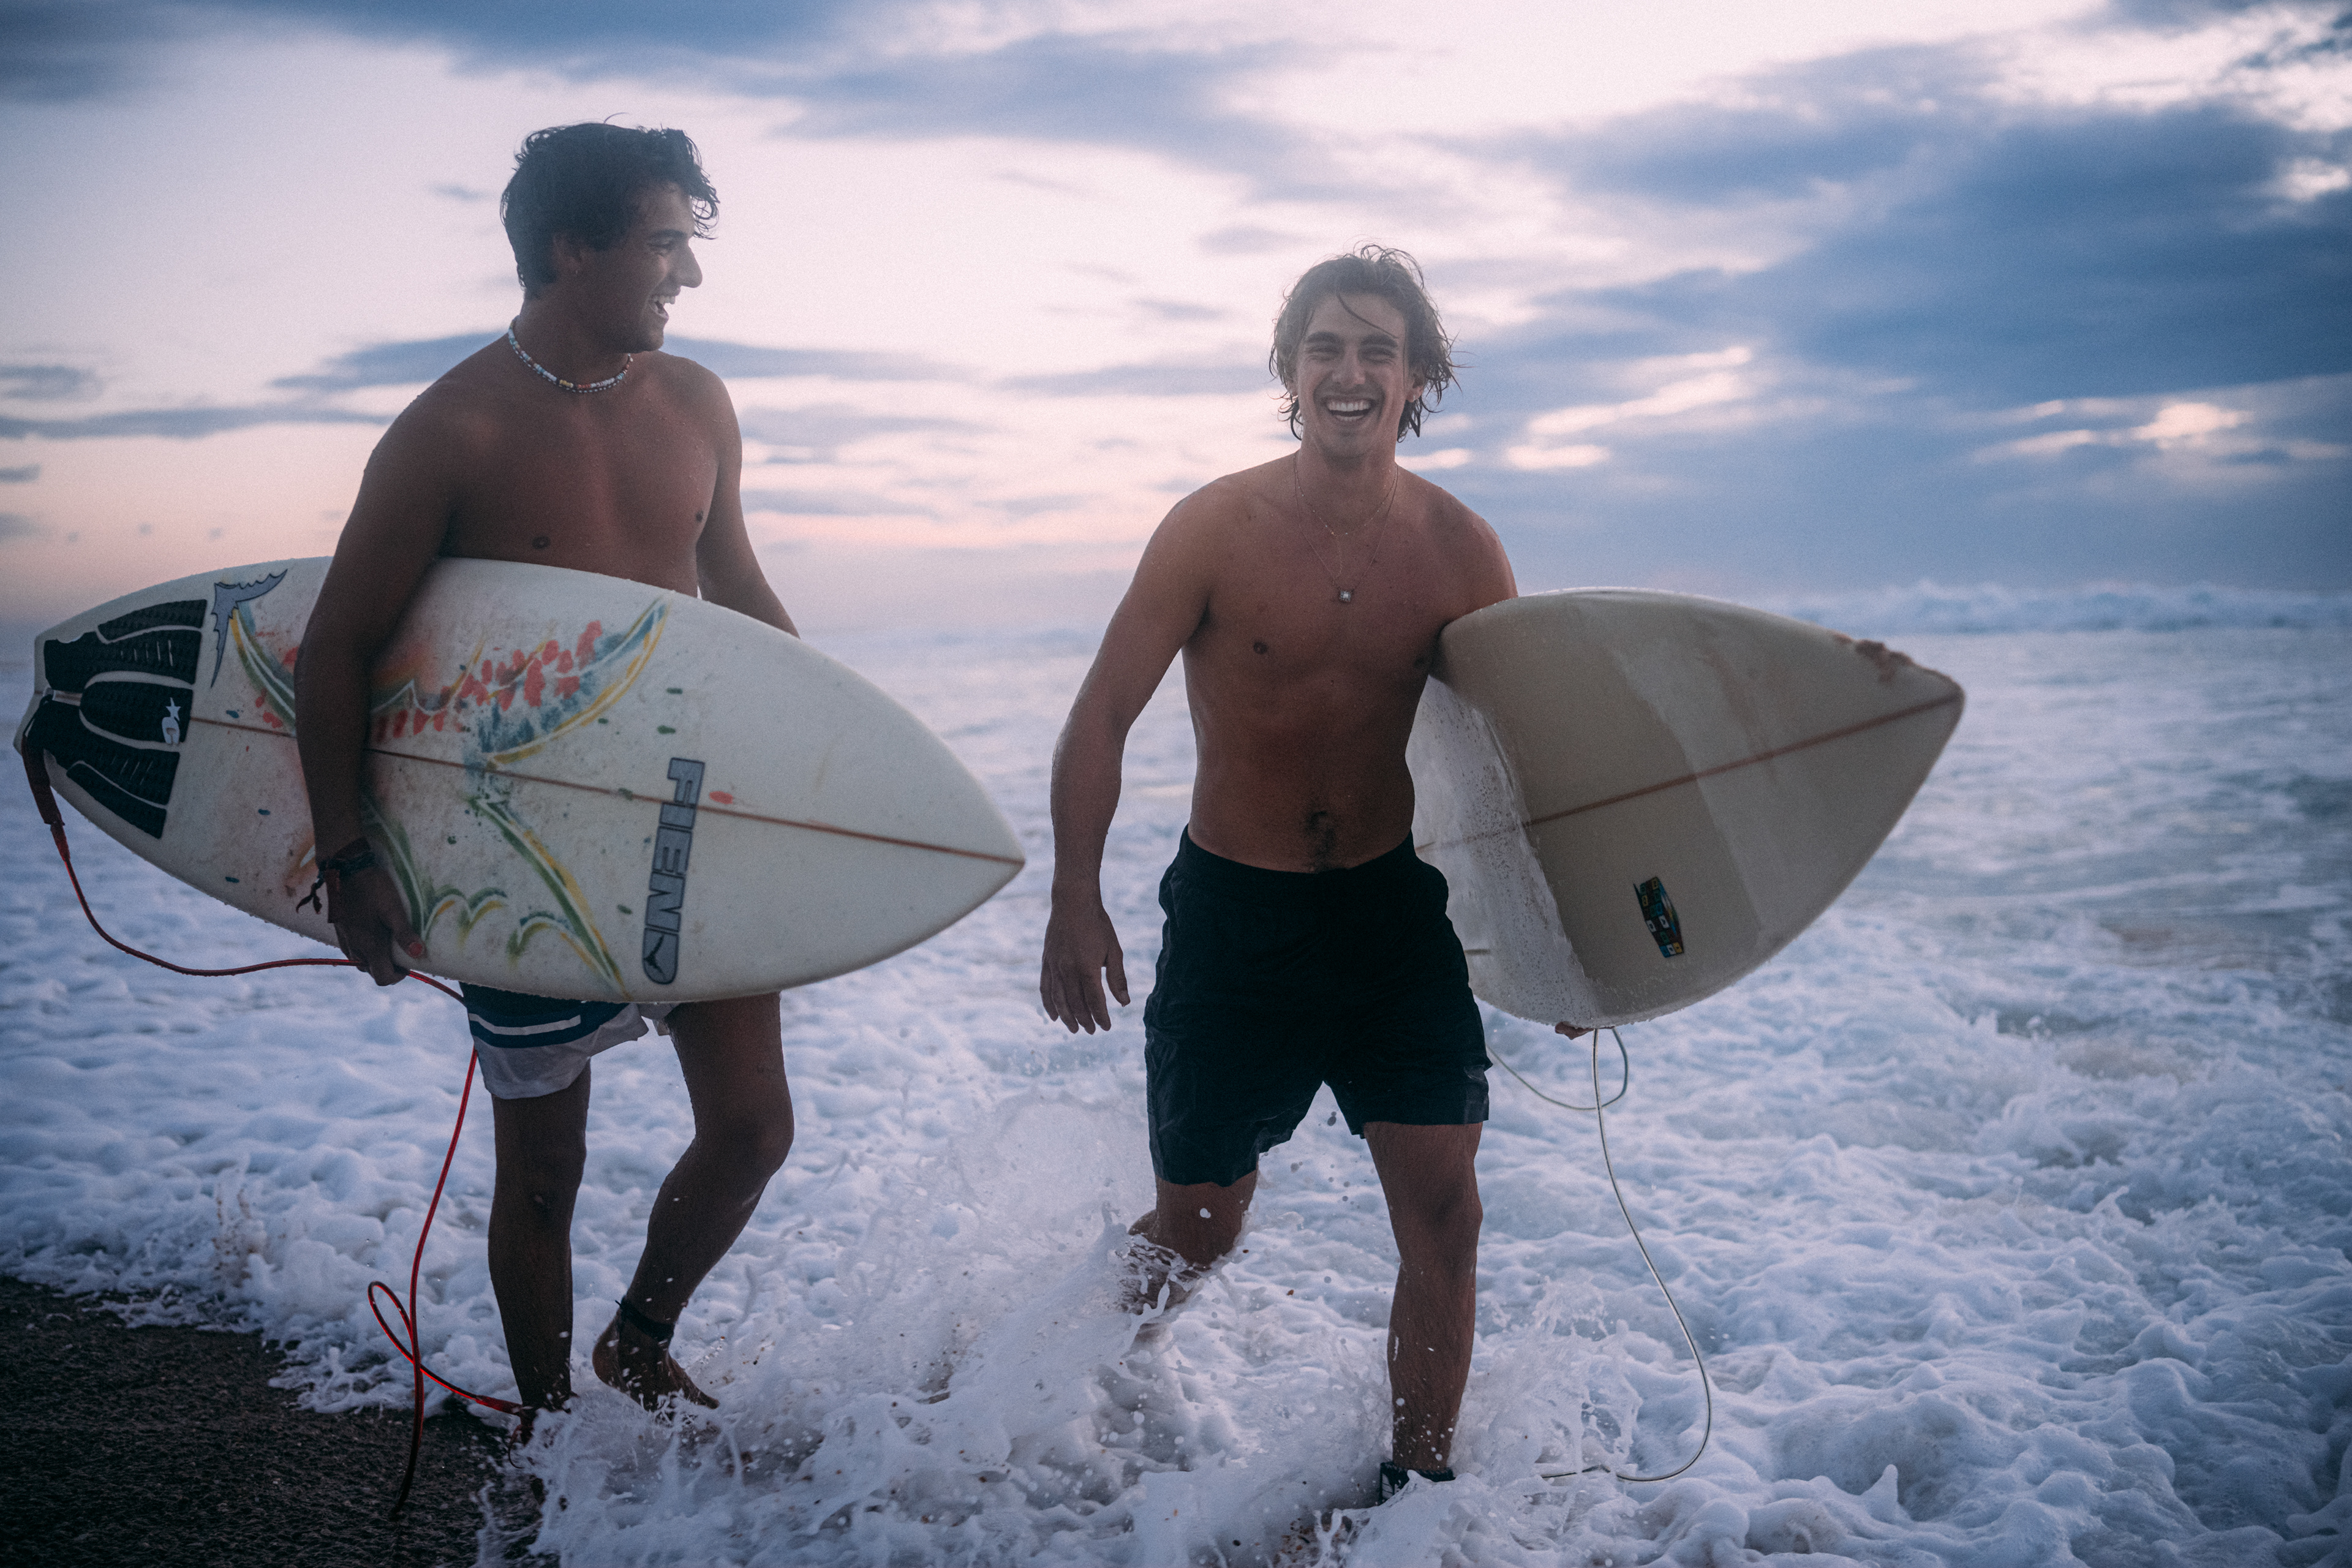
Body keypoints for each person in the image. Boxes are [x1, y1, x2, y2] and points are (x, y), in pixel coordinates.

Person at [294, 123, 797, 1430]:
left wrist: (824, 756)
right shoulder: (449, 431)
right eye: (666, 243)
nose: (688, 274)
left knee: (753, 1126)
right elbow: (336, 649)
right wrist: (347, 855)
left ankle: (639, 1341)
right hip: (518, 842)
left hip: (684, 815)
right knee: (540, 1175)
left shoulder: (697, 404)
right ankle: (547, 1433)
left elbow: (737, 590)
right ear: (574, 247)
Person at [1038, 246, 1517, 1501]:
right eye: (1325, 348)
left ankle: (1415, 1489)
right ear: (1290, 372)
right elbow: (1101, 716)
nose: (1349, 372)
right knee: (1200, 1228)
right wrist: (1075, 897)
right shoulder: (1213, 527)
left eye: (1377, 351)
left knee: (1447, 1209)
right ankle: (1041, 1385)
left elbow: (1518, 768)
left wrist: (1565, 946)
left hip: (1394, 917)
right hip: (1236, 917)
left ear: (1417, 379)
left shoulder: (1462, 551)